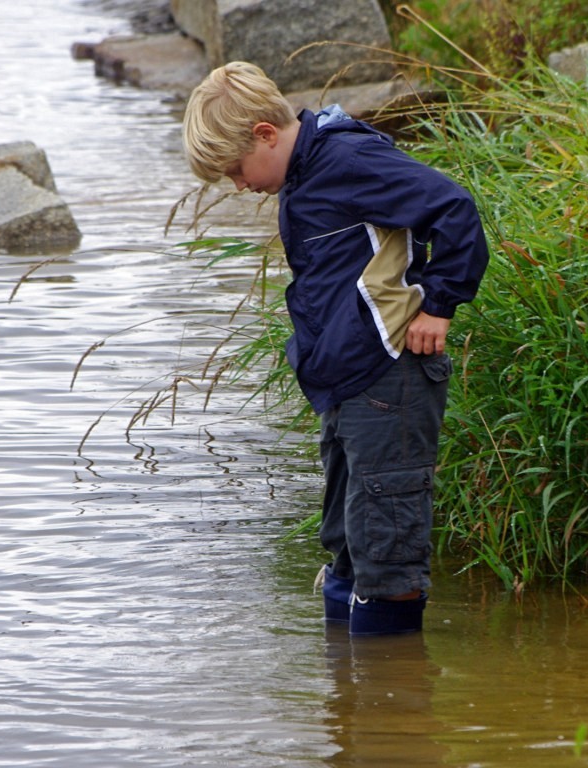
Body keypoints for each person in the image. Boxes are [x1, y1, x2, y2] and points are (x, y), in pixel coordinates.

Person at [182, 62, 489, 635]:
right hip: (346, 387)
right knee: (346, 542)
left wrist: (438, 305)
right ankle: (344, 704)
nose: (240, 185)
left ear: (265, 135)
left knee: (386, 547)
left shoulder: (347, 161)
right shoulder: (303, 175)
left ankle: (389, 707)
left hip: (389, 377)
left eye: (236, 171)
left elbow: (454, 209)